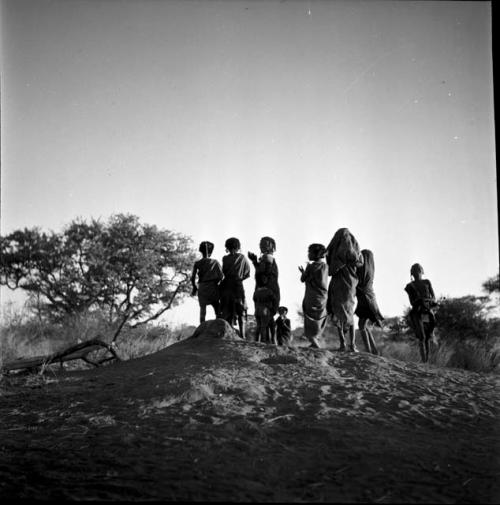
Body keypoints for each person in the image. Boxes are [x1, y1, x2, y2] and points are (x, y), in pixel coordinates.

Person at [326, 228, 364, 352]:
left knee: (342, 314)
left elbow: (331, 270)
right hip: (348, 286)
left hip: (340, 285)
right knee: (347, 313)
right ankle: (349, 345)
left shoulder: (335, 254)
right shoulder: (356, 254)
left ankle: (346, 344)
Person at [404, 263, 438, 363]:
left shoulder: (427, 282)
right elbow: (411, 302)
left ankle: (426, 360)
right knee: (422, 337)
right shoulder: (410, 286)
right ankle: (424, 361)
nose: (417, 273)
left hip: (428, 311)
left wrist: (427, 301)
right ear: (412, 274)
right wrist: (419, 301)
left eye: (418, 271)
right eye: (415, 272)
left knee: (427, 337)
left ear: (421, 272)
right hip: (417, 311)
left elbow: (433, 297)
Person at [220, 237, 251, 339]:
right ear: (238, 247)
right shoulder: (242, 257)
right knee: (240, 311)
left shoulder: (225, 258)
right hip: (238, 286)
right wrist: (240, 278)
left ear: (227, 247)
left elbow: (223, 272)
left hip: (227, 285)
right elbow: (247, 273)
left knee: (226, 311)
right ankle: (242, 336)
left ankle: (228, 335)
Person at [299, 243, 329, 348]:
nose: (308, 254)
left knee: (310, 318)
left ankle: (315, 343)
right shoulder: (325, 266)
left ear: (316, 254)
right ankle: (314, 341)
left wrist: (305, 272)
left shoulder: (312, 267)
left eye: (310, 252)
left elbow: (303, 279)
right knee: (318, 318)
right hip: (322, 298)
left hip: (312, 297)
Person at [355, 249, 384, 355]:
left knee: (362, 325)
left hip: (366, 300)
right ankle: (374, 350)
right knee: (364, 326)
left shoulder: (363, 272)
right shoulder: (370, 272)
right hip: (368, 300)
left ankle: (369, 350)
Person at [191, 241, 224, 323]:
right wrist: (217, 283)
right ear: (211, 251)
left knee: (202, 309)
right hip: (212, 286)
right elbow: (221, 276)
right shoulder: (214, 262)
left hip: (202, 287)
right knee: (217, 307)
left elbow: (192, 278)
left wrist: (195, 288)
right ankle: (219, 325)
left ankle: (202, 327)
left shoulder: (197, 263)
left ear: (201, 251)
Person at [253, 273, 278, 344]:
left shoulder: (256, 291)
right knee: (264, 326)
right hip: (265, 310)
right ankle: (263, 341)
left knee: (258, 326)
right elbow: (274, 299)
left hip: (257, 310)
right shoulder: (269, 291)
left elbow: (254, 300)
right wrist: (272, 308)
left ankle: (256, 340)